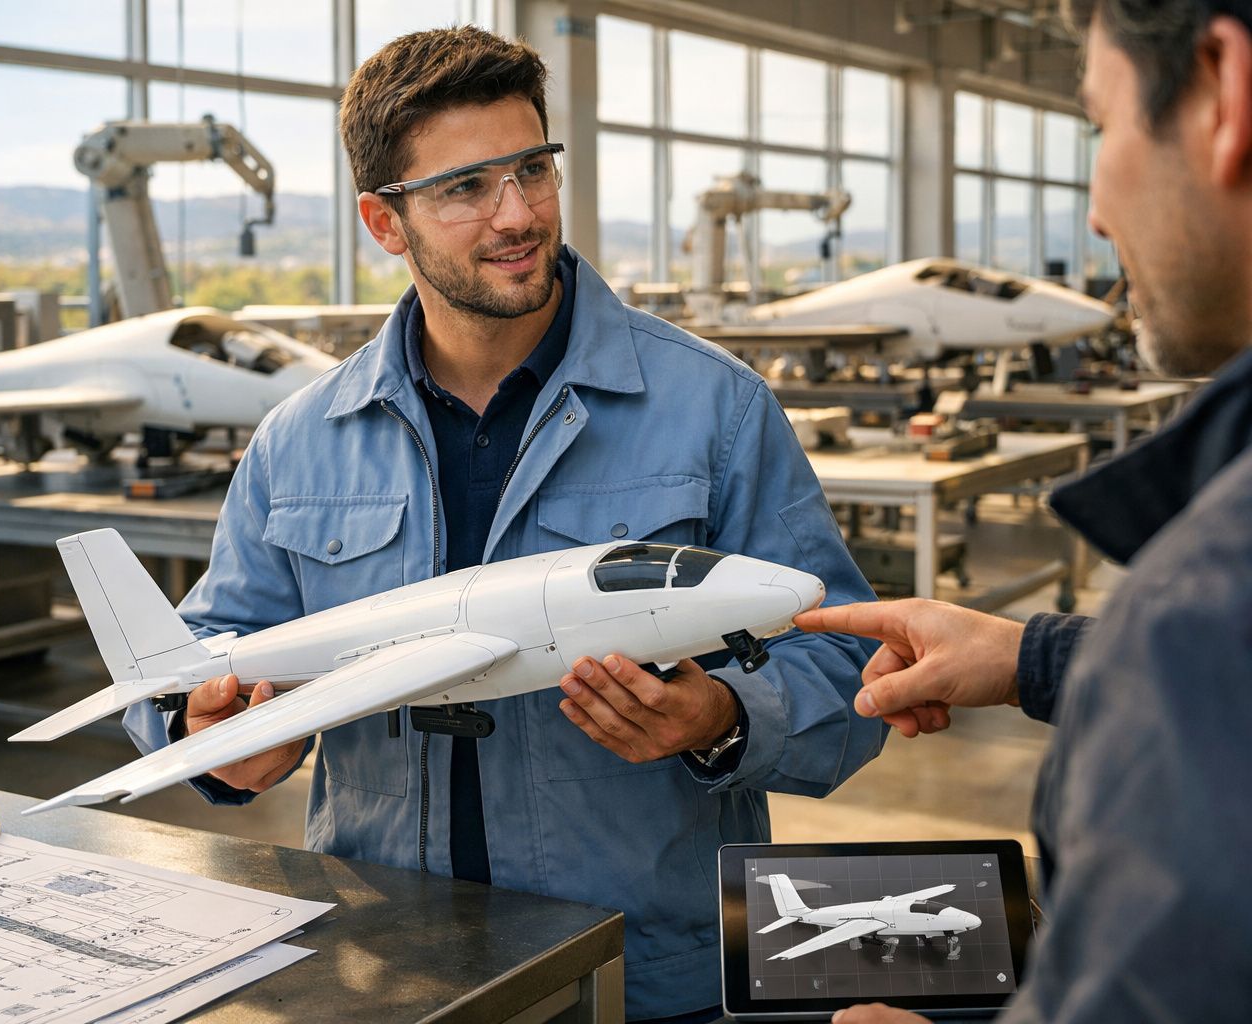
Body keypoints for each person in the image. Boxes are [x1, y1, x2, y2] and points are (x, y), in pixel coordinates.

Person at [124, 26, 886, 1022]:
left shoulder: (718, 409)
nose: (517, 214)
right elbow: (202, 656)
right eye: (466, 187)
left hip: (657, 976)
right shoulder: (298, 440)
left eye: (532, 169)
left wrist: (724, 718)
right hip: (390, 968)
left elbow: (846, 663)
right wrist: (212, 735)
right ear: (384, 222)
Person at [795, 3, 1252, 1021]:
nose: (1093, 212)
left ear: (1222, 90)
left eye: (1101, 125)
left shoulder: (1205, 603)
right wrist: (1033, 655)